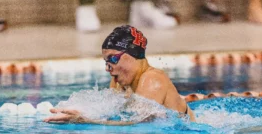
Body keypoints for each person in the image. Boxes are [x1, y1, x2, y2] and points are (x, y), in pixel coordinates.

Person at [44, 25, 196, 125]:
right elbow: (113, 114)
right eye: (106, 61)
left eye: (113, 59)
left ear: (132, 54)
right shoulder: (119, 82)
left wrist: (84, 120)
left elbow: (135, 124)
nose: (108, 68)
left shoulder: (153, 80)